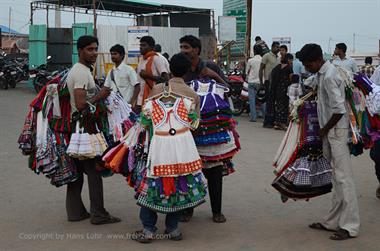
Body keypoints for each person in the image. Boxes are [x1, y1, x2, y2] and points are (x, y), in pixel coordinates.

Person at [132, 53, 203, 243]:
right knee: (178, 185)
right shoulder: (192, 95)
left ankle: (148, 229)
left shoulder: (156, 89)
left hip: (157, 147)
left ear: (170, 68)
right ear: (188, 70)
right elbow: (194, 125)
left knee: (152, 185)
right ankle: (173, 229)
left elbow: (146, 123)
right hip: (182, 150)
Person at [299, 43, 360, 240]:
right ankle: (333, 221)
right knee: (336, 178)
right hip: (330, 131)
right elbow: (308, 83)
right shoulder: (321, 74)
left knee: (344, 179)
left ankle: (350, 226)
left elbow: (339, 109)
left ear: (317, 61)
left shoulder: (331, 75)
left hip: (337, 131)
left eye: (308, 64)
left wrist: (323, 130)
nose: (306, 67)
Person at [66, 35, 121, 225]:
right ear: (80, 51)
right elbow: (81, 104)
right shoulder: (81, 72)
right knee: (94, 170)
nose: (94, 53)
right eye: (90, 49)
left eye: (95, 49)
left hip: (78, 126)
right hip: (84, 127)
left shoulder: (81, 70)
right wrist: (101, 95)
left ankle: (75, 212)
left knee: (78, 170)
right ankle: (98, 213)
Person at [179, 35, 230, 223]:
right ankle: (188, 210)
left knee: (214, 172)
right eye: (181, 47)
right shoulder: (180, 69)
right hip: (187, 130)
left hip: (211, 131)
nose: (183, 50)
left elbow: (228, 90)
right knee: (188, 171)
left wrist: (215, 76)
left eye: (187, 47)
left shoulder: (212, 67)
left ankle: (217, 211)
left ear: (197, 50)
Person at [136, 36, 170, 112]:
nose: (141, 47)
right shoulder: (142, 60)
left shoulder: (156, 58)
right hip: (141, 99)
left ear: (151, 47)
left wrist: (147, 75)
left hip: (154, 98)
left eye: (144, 45)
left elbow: (166, 79)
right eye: (140, 45)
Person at [260, 42, 281, 128]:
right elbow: (261, 69)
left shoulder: (278, 58)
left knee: (273, 102)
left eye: (279, 48)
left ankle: (273, 121)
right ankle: (267, 122)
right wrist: (261, 81)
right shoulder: (266, 56)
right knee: (269, 102)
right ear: (272, 47)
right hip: (268, 81)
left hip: (276, 82)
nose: (278, 49)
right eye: (276, 47)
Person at [271, 53, 294, 130]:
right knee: (284, 106)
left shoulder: (277, 67)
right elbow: (291, 78)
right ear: (288, 59)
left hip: (277, 89)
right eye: (291, 60)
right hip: (285, 89)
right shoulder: (289, 67)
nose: (292, 61)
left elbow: (272, 76)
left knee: (278, 105)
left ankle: (277, 123)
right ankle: (282, 123)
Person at [246, 44, 264, 121]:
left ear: (254, 51)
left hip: (251, 82)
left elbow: (247, 72)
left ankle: (253, 117)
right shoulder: (263, 60)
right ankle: (264, 115)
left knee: (252, 100)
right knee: (262, 100)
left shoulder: (250, 60)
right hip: (260, 83)